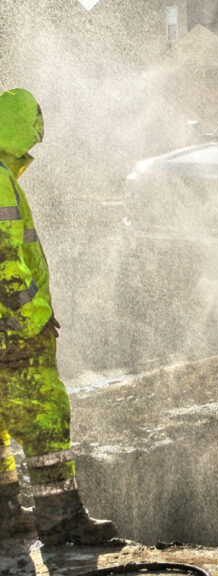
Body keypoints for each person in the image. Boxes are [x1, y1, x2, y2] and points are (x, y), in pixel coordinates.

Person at [0, 88, 118, 545]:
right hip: (14, 333)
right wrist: (33, 318)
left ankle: (8, 515)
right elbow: (6, 262)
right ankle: (62, 520)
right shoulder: (0, 182)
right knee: (44, 417)